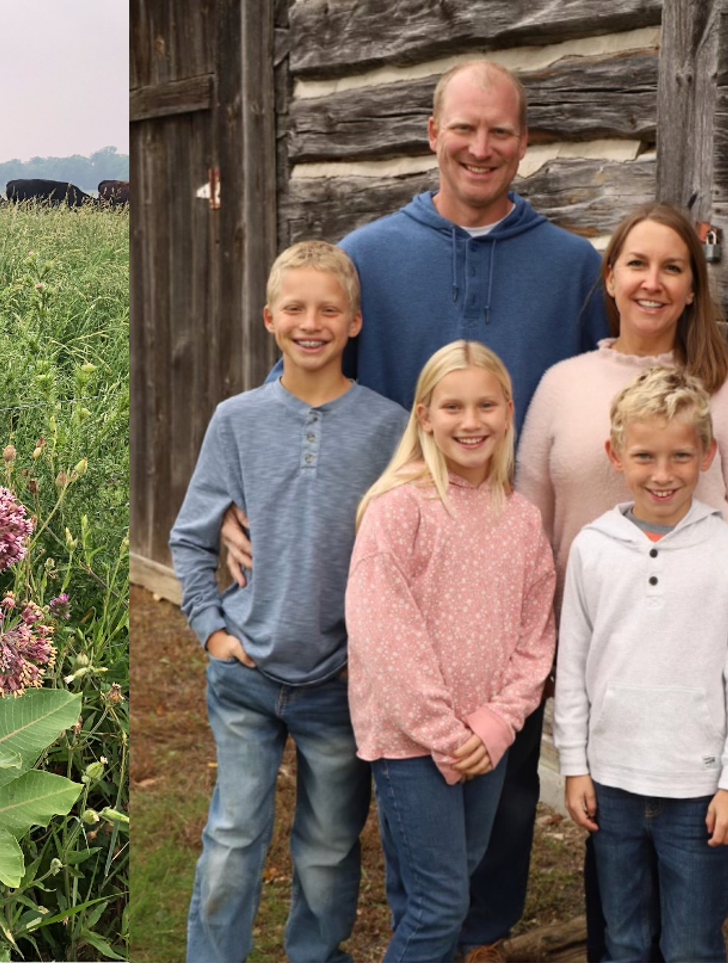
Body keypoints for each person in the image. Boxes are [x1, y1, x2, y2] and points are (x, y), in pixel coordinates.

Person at [228, 61, 605, 948]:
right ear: (430, 133)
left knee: (503, 775)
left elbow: (604, 401)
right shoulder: (366, 255)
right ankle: (393, 915)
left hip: (506, 561)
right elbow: (295, 390)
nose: (482, 148)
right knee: (367, 765)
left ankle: (472, 925)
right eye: (464, 129)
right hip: (386, 562)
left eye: (502, 131)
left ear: (527, 142)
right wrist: (239, 502)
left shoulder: (571, 267)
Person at [517, 202, 728, 959]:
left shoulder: (723, 389)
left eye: (673, 267)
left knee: (690, 908)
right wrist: (537, 657)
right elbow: (529, 529)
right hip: (597, 672)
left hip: (691, 679)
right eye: (637, 263)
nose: (653, 282)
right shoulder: (563, 384)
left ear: (694, 286)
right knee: (619, 895)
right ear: (610, 276)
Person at [170, 241, 409, 962]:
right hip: (247, 676)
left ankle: (315, 953)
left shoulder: (388, 428)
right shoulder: (236, 421)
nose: (313, 322)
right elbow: (190, 537)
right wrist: (212, 631)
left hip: (339, 682)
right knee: (234, 835)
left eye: (329, 309)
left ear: (355, 322)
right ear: (270, 319)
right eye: (296, 309)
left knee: (330, 847)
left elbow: (403, 552)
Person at [345, 341, 556, 962]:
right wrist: (444, 731)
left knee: (436, 893)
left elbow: (535, 636)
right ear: (424, 416)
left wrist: (495, 725)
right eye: (454, 406)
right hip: (414, 741)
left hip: (485, 742)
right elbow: (384, 633)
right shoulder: (399, 509)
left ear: (509, 410)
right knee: (441, 907)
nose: (471, 422)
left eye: (486, 405)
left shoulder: (521, 518)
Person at [555, 365, 728, 962]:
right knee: (623, 938)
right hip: (613, 783)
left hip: (697, 791)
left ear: (707, 454)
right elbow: (572, 666)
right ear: (615, 455)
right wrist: (574, 765)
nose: (663, 473)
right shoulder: (593, 549)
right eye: (645, 455)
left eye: (680, 455)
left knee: (691, 945)